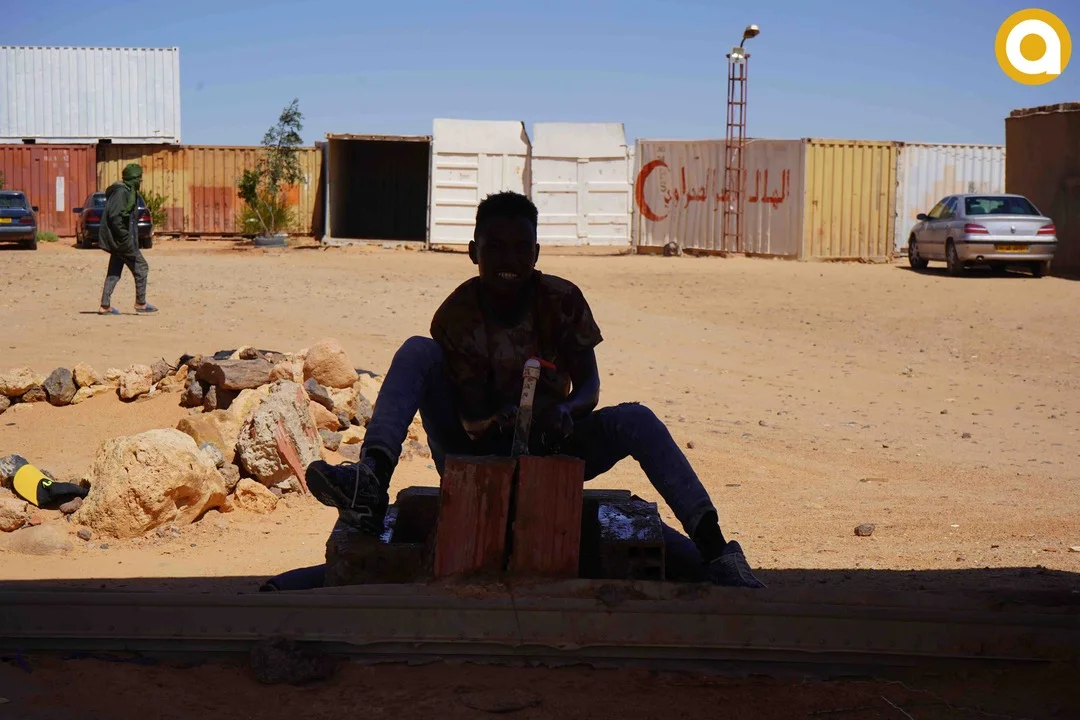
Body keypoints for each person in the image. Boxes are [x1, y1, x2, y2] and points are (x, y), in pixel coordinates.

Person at [306, 191, 765, 588]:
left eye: (521, 248)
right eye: (495, 247)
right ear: (473, 252)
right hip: (473, 451)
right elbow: (468, 418)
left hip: (552, 447)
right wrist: (497, 419)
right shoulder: (456, 315)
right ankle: (371, 480)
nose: (509, 260)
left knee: (636, 419)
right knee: (416, 351)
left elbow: (590, 386)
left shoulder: (562, 301)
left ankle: (715, 547)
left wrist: (567, 411)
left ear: (537, 252)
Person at [98, 163, 157, 315]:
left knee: (114, 271)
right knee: (142, 267)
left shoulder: (128, 192)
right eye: (138, 178)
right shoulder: (121, 193)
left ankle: (105, 305)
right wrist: (125, 237)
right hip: (122, 242)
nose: (140, 181)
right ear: (132, 178)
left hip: (121, 241)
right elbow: (115, 217)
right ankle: (140, 303)